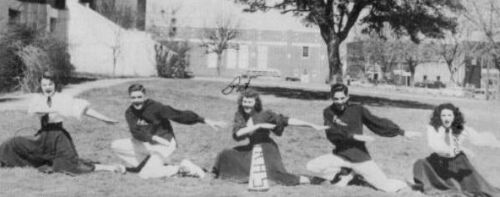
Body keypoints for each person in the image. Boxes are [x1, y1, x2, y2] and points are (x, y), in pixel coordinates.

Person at [0, 71, 124, 175]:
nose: (47, 87)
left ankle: (109, 167)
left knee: (70, 165)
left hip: (58, 136)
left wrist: (105, 119)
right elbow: (34, 111)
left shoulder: (63, 98)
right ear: (40, 86)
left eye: (50, 84)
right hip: (42, 136)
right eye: (44, 85)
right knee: (13, 143)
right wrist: (56, 109)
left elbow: (84, 109)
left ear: (55, 84)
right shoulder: (38, 98)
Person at [306, 83, 421, 192]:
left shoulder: (358, 109)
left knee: (386, 187)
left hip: (359, 157)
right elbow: (333, 133)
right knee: (311, 166)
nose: (340, 102)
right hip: (340, 155)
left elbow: (376, 122)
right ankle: (346, 173)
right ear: (331, 97)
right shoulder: (328, 112)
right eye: (336, 99)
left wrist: (402, 132)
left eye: (342, 98)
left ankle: (408, 183)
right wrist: (354, 137)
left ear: (348, 97)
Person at [212, 89, 329, 186]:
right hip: (252, 147)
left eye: (249, 102)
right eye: (244, 102)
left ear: (255, 103)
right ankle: (215, 172)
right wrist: (260, 125)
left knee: (272, 175)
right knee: (225, 154)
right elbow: (238, 133)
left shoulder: (265, 114)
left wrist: (312, 125)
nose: (246, 104)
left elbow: (287, 120)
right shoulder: (240, 115)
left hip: (266, 148)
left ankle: (309, 180)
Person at [111, 83, 226, 179]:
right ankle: (145, 163)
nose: (136, 101)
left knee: (145, 175)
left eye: (139, 97)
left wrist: (204, 120)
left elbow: (178, 115)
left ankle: (181, 167)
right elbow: (136, 132)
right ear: (129, 98)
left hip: (165, 143)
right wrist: (153, 138)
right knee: (116, 145)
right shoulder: (129, 112)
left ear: (144, 96)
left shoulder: (155, 107)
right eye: (133, 98)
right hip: (150, 142)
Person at [413, 103, 500, 197]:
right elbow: (435, 145)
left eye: (449, 115)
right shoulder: (433, 128)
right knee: (420, 163)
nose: (447, 118)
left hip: (458, 161)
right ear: (439, 117)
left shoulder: (460, 128)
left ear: (454, 116)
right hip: (438, 161)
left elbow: (478, 138)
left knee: (476, 187)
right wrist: (459, 148)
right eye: (443, 115)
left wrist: (495, 143)